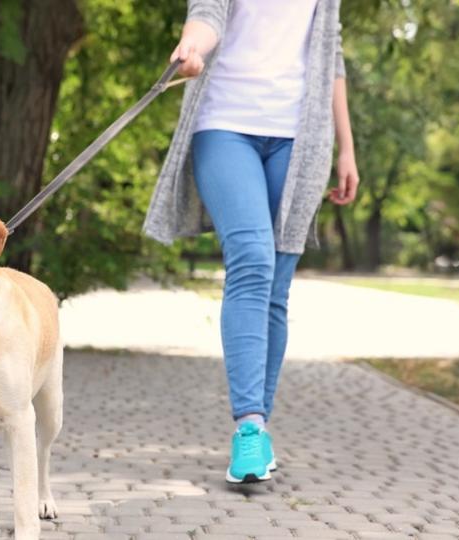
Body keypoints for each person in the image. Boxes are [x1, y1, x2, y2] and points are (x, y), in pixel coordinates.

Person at [142, 0, 360, 484]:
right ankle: (248, 427)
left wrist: (347, 147)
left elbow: (331, 51)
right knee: (252, 262)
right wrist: (192, 47)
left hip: (301, 139)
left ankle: (259, 429)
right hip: (225, 125)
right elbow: (208, 13)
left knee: (276, 291)